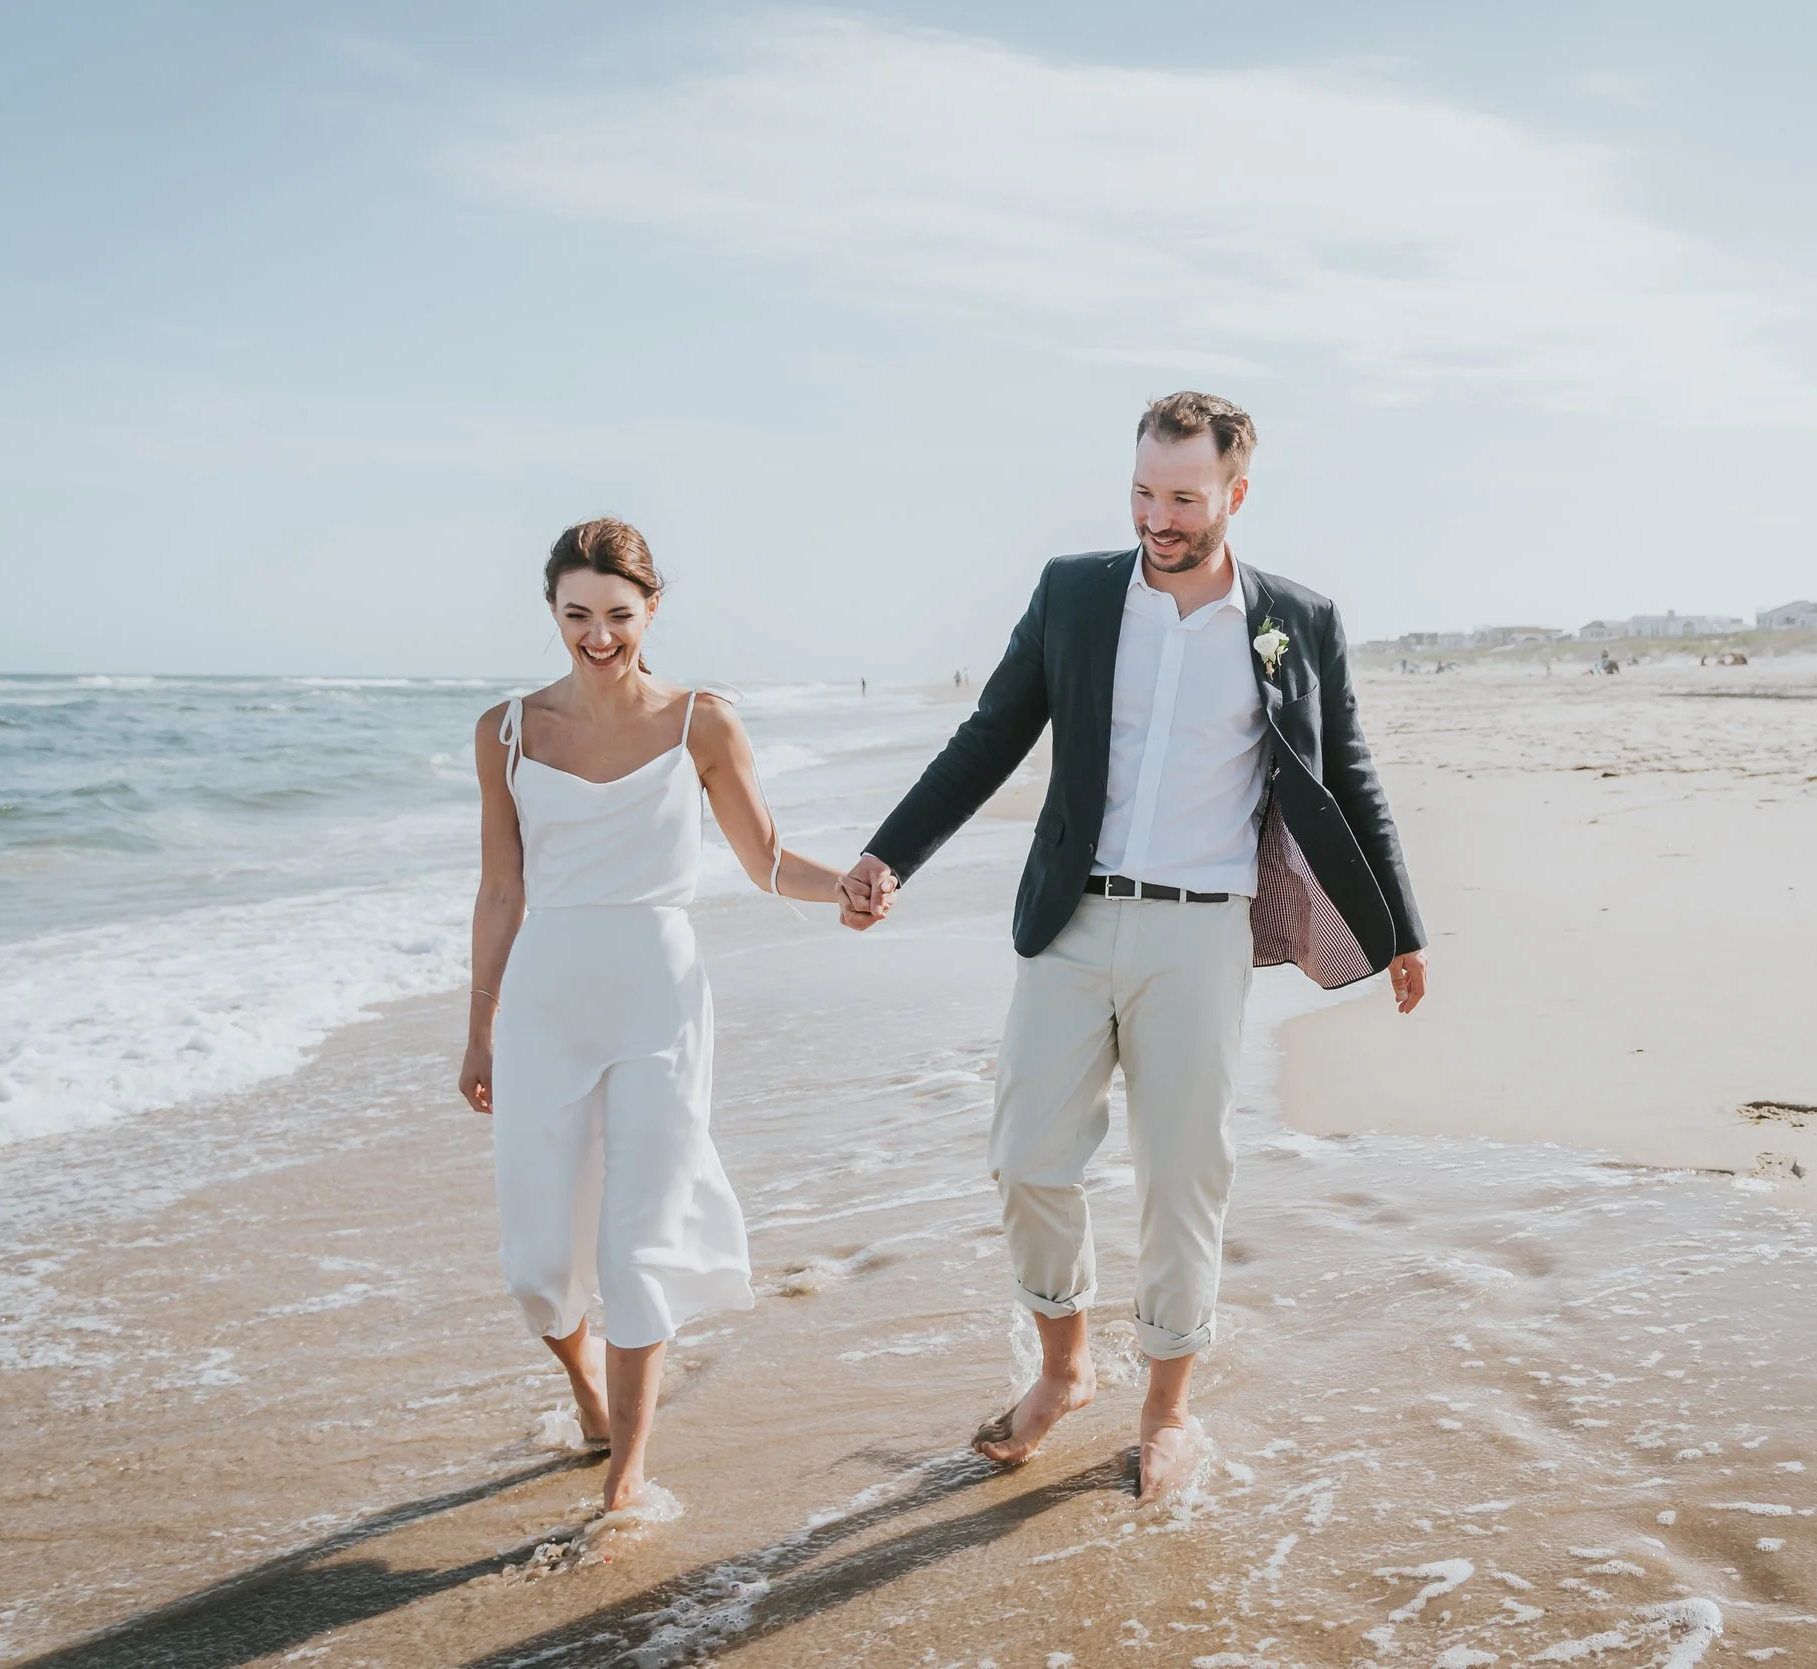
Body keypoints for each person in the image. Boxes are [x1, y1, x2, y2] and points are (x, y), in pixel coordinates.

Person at [834, 392, 1431, 1503]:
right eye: (1144, 492)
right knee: (1027, 1159)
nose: (1159, 517)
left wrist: (1400, 928)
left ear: (1234, 495)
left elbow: (1347, 775)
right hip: (1072, 920)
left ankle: (1165, 1409)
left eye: (1184, 498)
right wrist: (889, 856)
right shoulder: (1074, 592)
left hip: (1201, 934)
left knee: (1182, 1178)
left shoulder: (1295, 620)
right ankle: (1063, 1367)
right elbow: (989, 736)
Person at [457, 517, 851, 1514]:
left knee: (638, 1245)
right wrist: (479, 1027)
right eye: (577, 614)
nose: (598, 634)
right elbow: (500, 891)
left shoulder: (700, 722)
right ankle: (588, 1389)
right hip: (546, 1001)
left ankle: (627, 1474)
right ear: (551, 610)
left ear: (652, 609)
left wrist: (846, 884)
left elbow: (764, 860)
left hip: (659, 999)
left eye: (618, 615)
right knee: (540, 1265)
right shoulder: (506, 731)